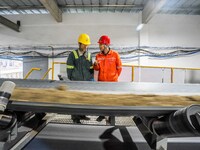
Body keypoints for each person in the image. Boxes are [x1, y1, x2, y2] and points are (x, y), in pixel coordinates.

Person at [93, 35, 122, 122]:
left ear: (105, 45)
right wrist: (95, 65)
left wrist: (114, 77)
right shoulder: (98, 56)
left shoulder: (115, 55)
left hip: (112, 82)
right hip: (101, 82)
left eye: (100, 44)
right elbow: (96, 69)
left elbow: (119, 68)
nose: (99, 46)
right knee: (101, 99)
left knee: (111, 100)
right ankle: (101, 115)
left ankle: (111, 116)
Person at [66, 33, 94, 123]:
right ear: (79, 44)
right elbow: (69, 68)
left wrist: (90, 79)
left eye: (87, 45)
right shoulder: (73, 55)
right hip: (76, 82)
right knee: (75, 100)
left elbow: (91, 68)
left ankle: (82, 115)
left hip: (86, 82)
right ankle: (75, 118)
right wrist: (72, 79)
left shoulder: (89, 55)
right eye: (84, 44)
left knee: (84, 100)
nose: (86, 46)